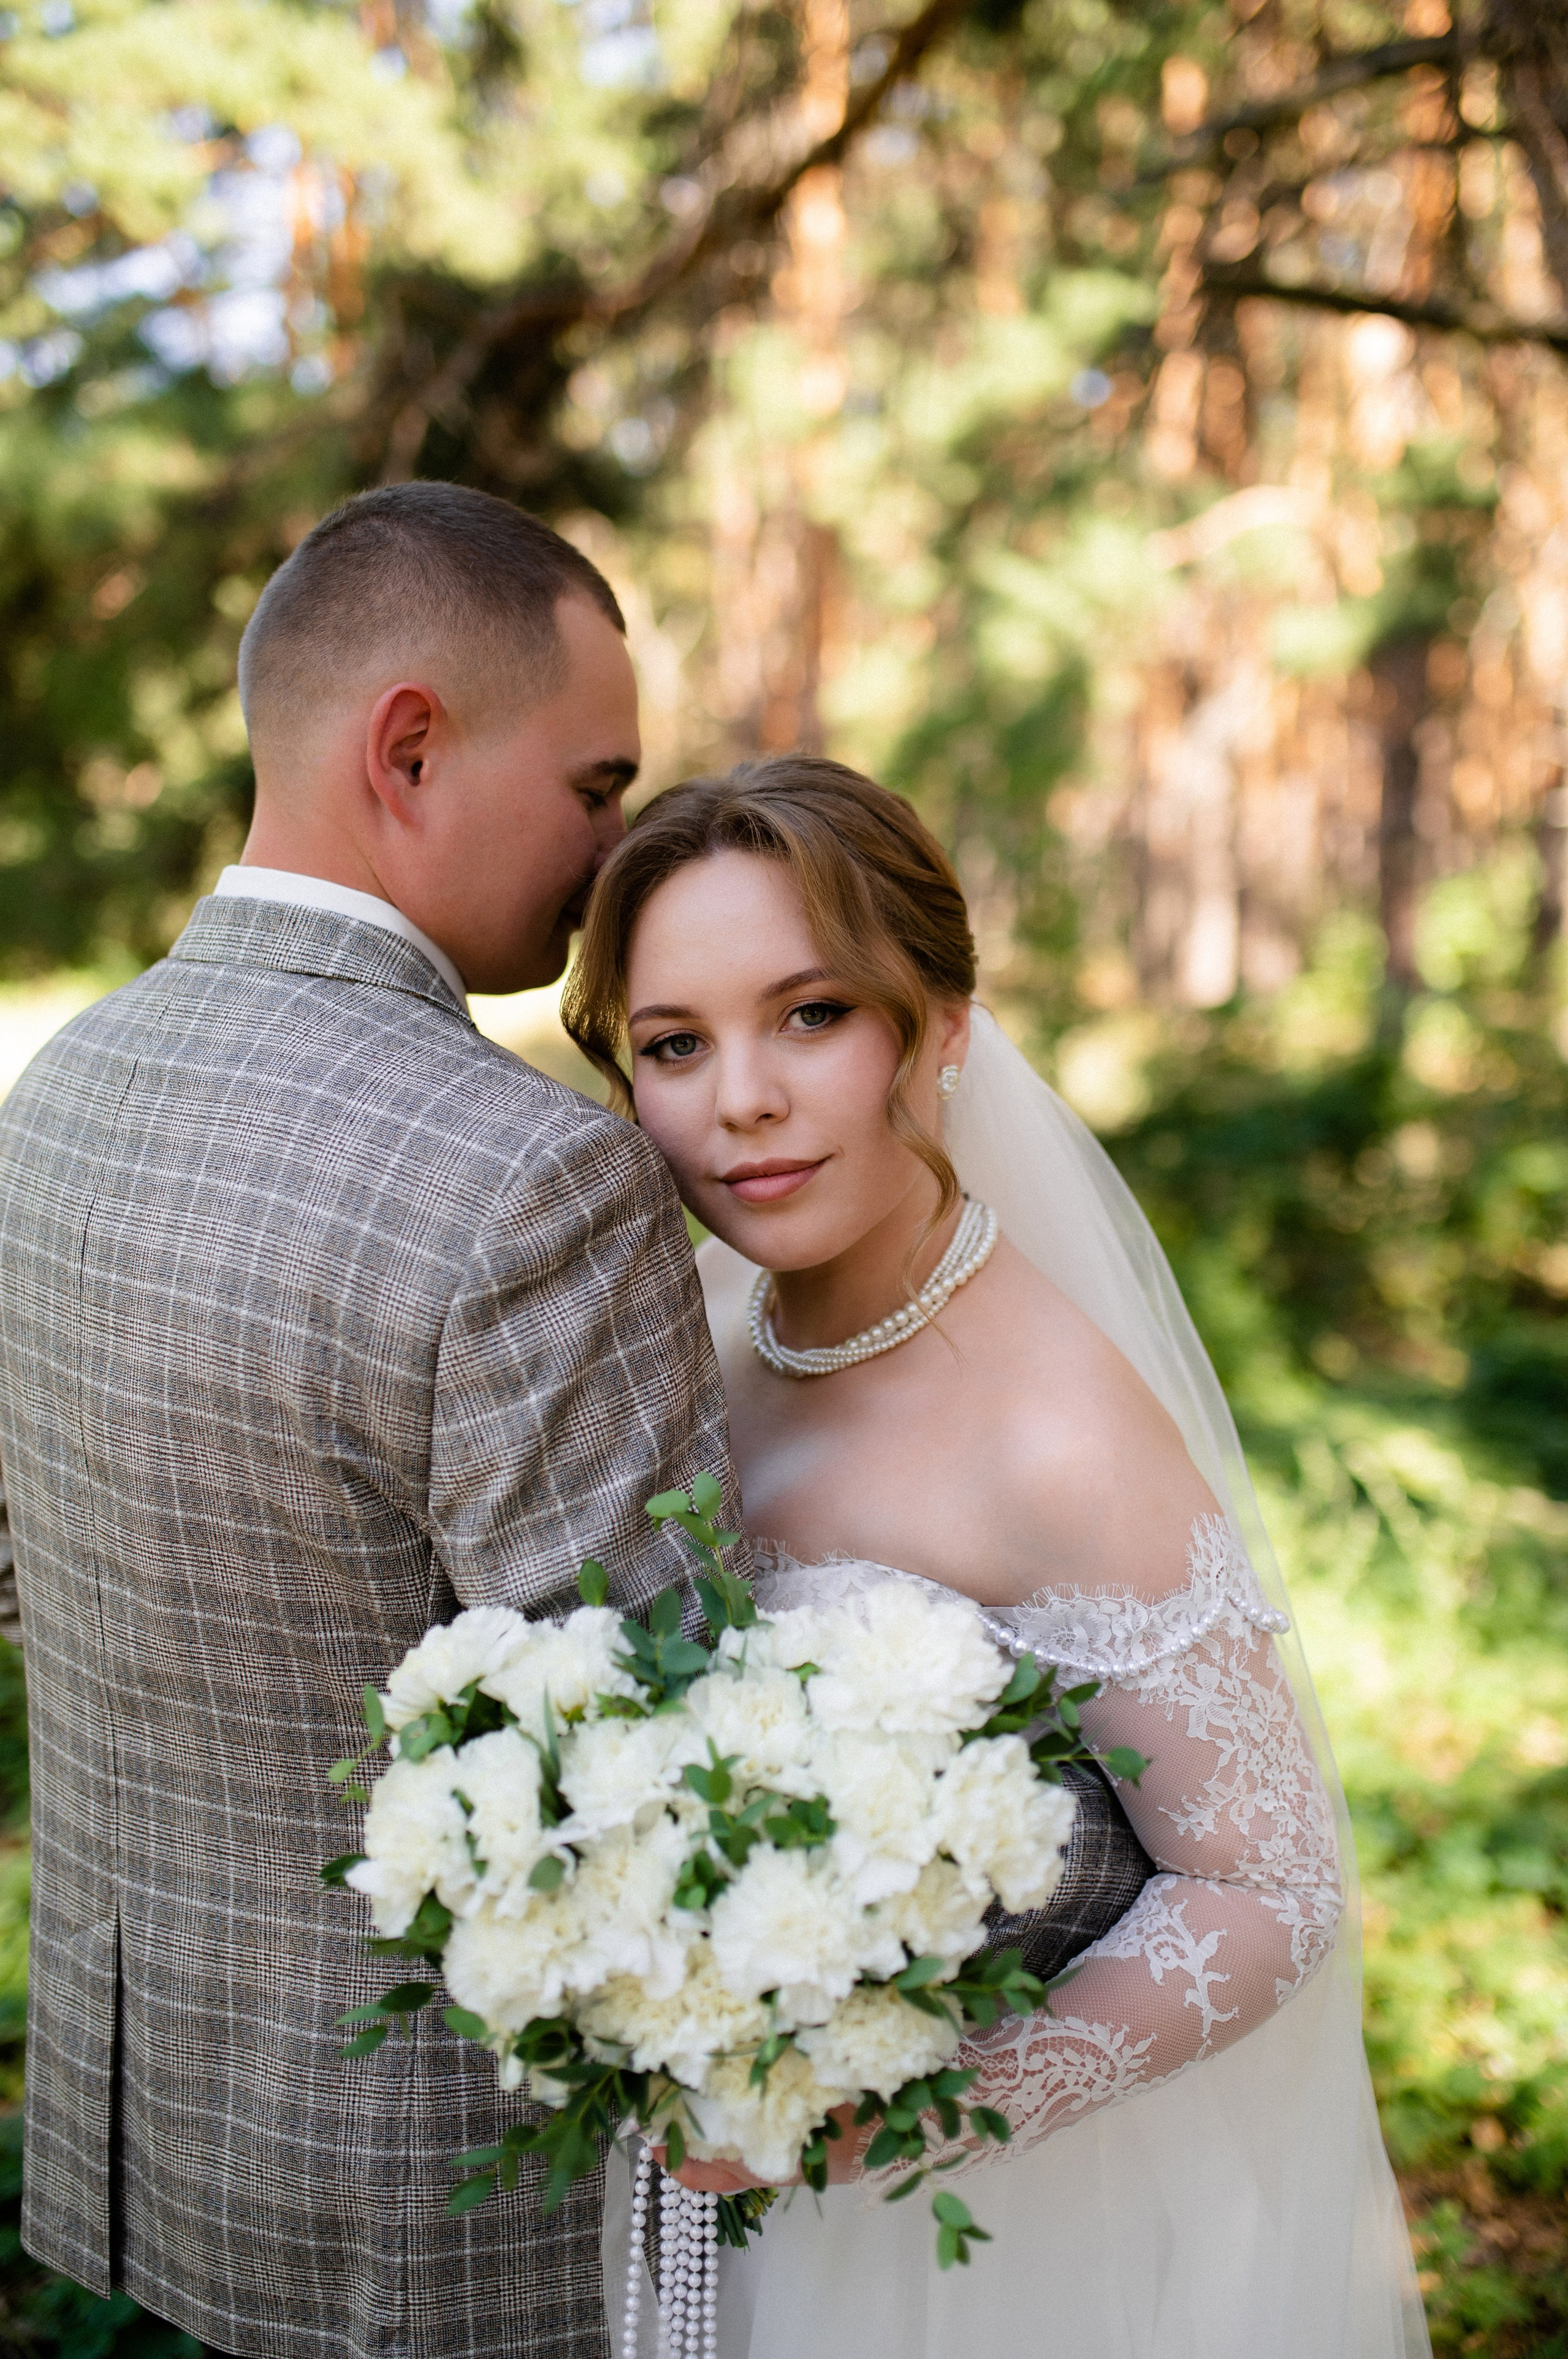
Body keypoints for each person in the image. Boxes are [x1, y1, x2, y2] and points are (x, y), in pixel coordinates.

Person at [563, 754, 1432, 2359]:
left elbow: (1265, 1889)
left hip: (978, 2243)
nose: (739, 1096)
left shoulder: (1058, 1438)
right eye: (676, 1044)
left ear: (941, 1024)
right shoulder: (686, 1328)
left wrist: (889, 2118)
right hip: (698, 2194)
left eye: (811, 1014)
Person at [0, 482, 740, 2358]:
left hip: (144, 2112)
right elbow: (652, 1754)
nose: (612, 850)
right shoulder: (534, 1182)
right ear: (409, 747)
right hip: (438, 2194)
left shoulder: (60, 1091)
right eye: (595, 787)